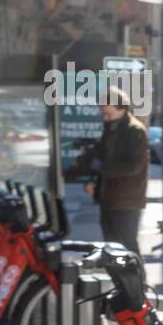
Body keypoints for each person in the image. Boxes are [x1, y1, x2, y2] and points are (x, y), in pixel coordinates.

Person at [66, 85, 149, 254]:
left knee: (126, 246)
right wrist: (91, 178)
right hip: (109, 198)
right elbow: (102, 157)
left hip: (127, 200)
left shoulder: (134, 131)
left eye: (108, 113)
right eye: (103, 113)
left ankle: (136, 280)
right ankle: (119, 279)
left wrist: (100, 168)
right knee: (112, 248)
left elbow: (133, 167)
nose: (105, 117)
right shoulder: (111, 129)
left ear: (121, 107)